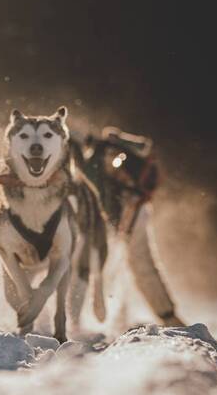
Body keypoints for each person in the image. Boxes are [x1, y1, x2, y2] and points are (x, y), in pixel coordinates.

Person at [71, 126, 185, 327]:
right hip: (131, 210)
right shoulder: (116, 149)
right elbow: (147, 147)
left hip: (127, 213)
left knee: (131, 265)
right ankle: (160, 316)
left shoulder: (95, 159)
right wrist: (119, 139)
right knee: (130, 265)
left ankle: (164, 317)